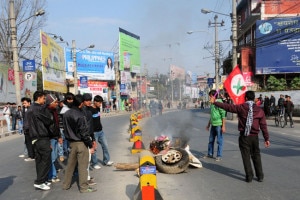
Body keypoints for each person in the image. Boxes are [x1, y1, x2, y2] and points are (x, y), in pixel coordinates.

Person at [210, 90, 270, 182]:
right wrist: (266, 138)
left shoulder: (241, 107)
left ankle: (249, 177)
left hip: (244, 136)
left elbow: (228, 107)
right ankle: (260, 176)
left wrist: (215, 102)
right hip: (254, 137)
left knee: (246, 156)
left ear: (245, 98)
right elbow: (263, 126)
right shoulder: (259, 110)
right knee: (256, 155)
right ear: (254, 99)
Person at [62, 94, 97, 193]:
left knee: (70, 165)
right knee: (82, 166)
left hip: (71, 143)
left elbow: (65, 129)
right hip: (81, 143)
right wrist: (90, 144)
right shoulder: (80, 115)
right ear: (81, 104)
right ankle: (84, 187)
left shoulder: (66, 114)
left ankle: (66, 184)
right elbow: (84, 132)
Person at [25, 91, 53, 190]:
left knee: (40, 160)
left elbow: (26, 127)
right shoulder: (38, 109)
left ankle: (42, 180)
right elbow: (48, 121)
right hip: (41, 137)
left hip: (35, 138)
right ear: (39, 98)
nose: (44, 100)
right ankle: (40, 181)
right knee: (46, 159)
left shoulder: (30, 109)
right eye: (44, 98)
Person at [90, 95, 114, 167]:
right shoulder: (90, 110)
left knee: (105, 146)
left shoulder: (98, 109)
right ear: (95, 102)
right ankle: (94, 163)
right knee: (94, 148)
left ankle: (106, 160)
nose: (100, 104)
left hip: (100, 131)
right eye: (99, 103)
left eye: (101, 103)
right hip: (94, 132)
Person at [204, 90, 226, 161]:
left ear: (213, 96)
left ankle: (219, 156)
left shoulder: (219, 103)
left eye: (210, 96)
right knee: (211, 140)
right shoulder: (212, 104)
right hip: (213, 125)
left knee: (219, 141)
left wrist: (223, 126)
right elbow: (212, 116)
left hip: (219, 125)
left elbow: (223, 115)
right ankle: (210, 154)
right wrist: (208, 125)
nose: (209, 98)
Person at [45, 94, 62, 183]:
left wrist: (59, 136)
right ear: (50, 102)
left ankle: (52, 174)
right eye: (55, 102)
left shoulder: (54, 111)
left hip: (55, 137)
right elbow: (45, 128)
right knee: (51, 158)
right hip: (50, 138)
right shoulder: (46, 112)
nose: (56, 103)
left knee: (54, 157)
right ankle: (52, 176)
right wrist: (47, 141)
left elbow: (56, 125)